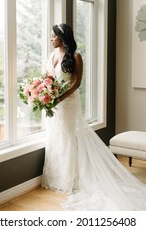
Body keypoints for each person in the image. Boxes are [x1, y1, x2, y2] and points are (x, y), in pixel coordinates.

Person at [41, 23, 146, 210]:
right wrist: (43, 93)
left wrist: (59, 98)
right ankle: (55, 177)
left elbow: (76, 83)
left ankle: (69, 179)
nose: (50, 39)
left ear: (62, 37)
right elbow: (47, 78)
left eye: (53, 36)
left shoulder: (75, 56)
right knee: (55, 138)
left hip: (68, 104)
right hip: (54, 105)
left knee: (67, 139)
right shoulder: (51, 55)